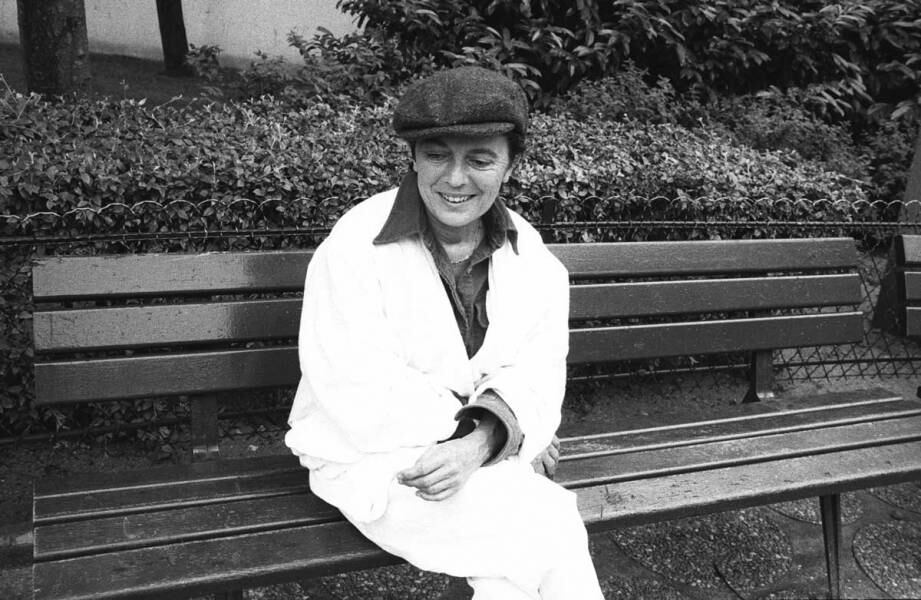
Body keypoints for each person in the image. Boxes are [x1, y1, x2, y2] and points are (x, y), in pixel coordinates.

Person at [285, 66, 604, 599]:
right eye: (437, 155)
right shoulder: (354, 245)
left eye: (480, 160)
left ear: (510, 165)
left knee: (512, 576)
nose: (455, 179)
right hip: (375, 459)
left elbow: (538, 369)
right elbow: (355, 386)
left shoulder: (529, 252)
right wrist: (499, 436)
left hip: (480, 462)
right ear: (413, 157)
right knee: (549, 527)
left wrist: (483, 443)